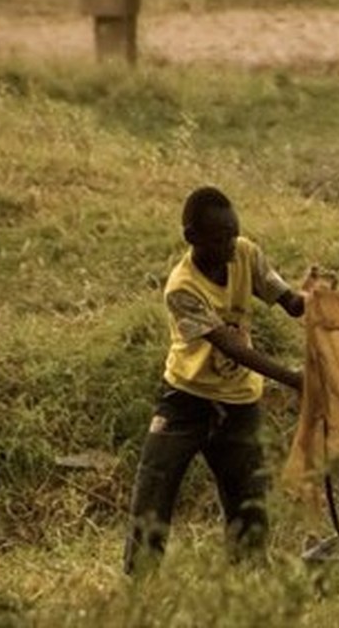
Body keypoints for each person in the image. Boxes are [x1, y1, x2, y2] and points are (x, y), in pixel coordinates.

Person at [124, 185, 307, 575]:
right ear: (191, 237)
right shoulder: (182, 287)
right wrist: (294, 380)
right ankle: (140, 587)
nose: (229, 244)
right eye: (220, 237)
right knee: (153, 493)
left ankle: (247, 583)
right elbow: (230, 347)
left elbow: (289, 301)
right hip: (186, 400)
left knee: (249, 503)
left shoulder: (246, 253)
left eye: (233, 233)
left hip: (239, 402)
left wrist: (314, 299)